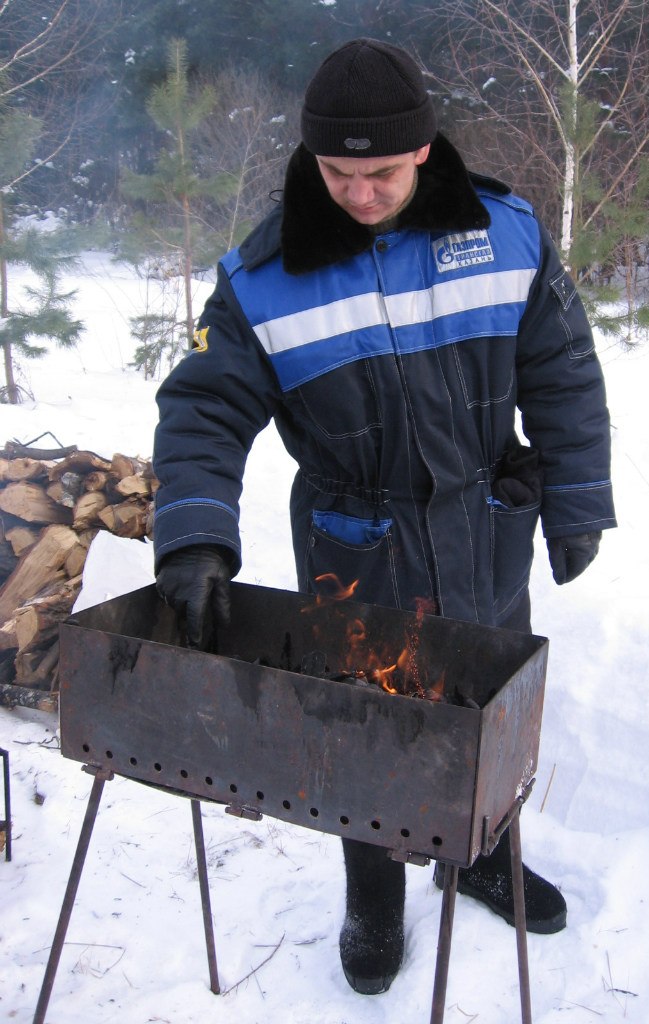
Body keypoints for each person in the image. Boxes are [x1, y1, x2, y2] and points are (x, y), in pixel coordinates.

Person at [152, 38, 617, 995]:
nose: (359, 194)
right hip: (353, 543)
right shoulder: (261, 278)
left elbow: (563, 372)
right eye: (337, 173)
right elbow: (205, 408)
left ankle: (480, 852)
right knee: (364, 720)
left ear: (424, 149)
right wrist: (196, 534)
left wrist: (577, 499)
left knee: (485, 706)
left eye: (381, 173)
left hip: (485, 526)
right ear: (310, 160)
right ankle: (371, 891)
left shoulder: (507, 232)